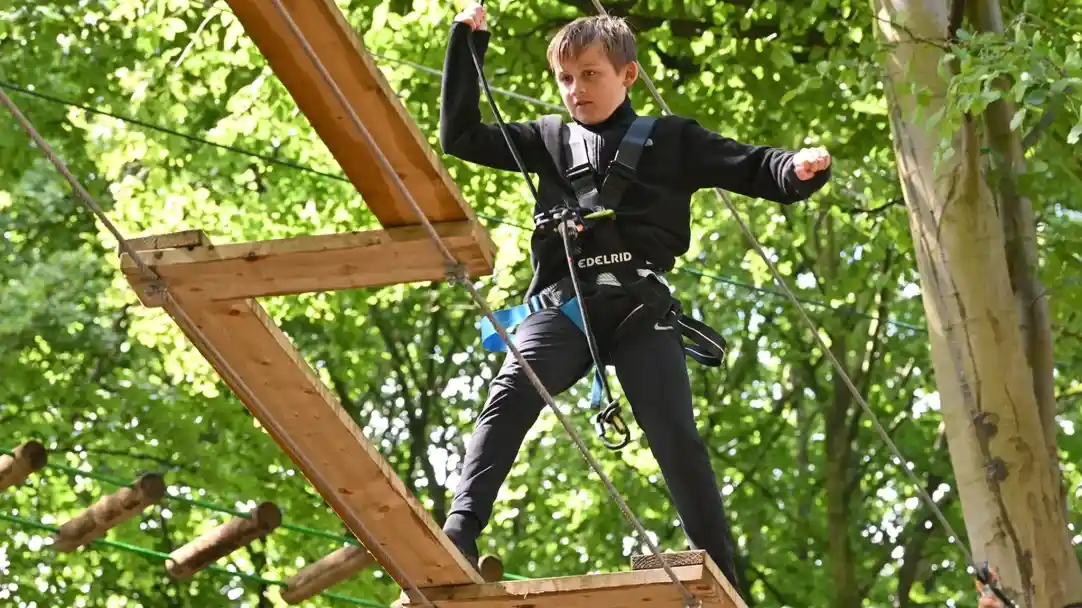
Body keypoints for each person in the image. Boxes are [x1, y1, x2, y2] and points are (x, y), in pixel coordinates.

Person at [437, 3, 832, 585]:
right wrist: (466, 46)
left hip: (640, 307)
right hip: (563, 305)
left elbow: (751, 166)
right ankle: (460, 533)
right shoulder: (546, 139)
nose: (575, 90)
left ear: (627, 74)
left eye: (590, 75)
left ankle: (719, 570)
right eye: (565, 79)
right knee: (512, 393)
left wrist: (797, 169)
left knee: (674, 432)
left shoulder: (672, 140)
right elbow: (461, 135)